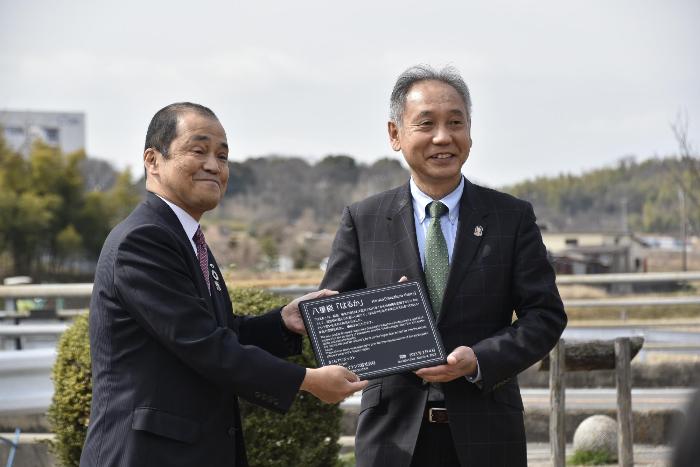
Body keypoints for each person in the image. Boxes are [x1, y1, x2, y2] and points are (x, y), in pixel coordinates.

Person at [80, 102, 366, 467]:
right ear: (152, 160)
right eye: (198, 151)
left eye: (223, 155)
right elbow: (204, 345)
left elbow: (220, 332)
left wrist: (283, 321)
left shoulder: (185, 237)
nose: (214, 166)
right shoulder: (145, 240)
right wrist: (307, 380)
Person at [320, 65, 567, 467]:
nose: (443, 137)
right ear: (395, 135)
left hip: (488, 434)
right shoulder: (363, 219)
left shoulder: (510, 217)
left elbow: (545, 316)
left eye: (456, 122)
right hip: (392, 437)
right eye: (426, 123)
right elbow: (335, 324)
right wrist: (388, 316)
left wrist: (481, 358)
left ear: (470, 132)